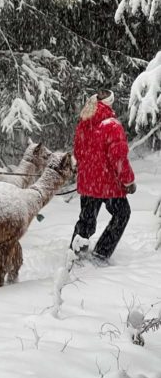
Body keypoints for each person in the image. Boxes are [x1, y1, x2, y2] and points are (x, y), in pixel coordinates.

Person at [70, 89, 136, 264]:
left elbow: (77, 152)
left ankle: (75, 253)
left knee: (86, 219)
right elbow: (119, 158)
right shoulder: (112, 125)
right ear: (110, 103)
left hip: (88, 182)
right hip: (107, 184)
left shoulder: (84, 121)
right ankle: (101, 253)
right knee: (122, 213)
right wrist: (128, 181)